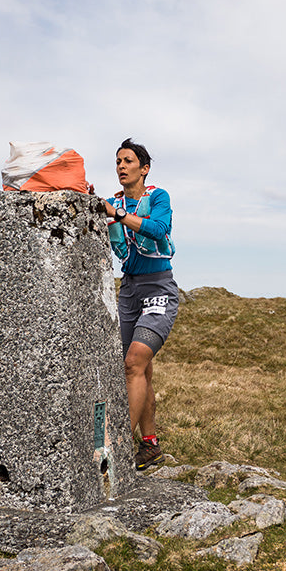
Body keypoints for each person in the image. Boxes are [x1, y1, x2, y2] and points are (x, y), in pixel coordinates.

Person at [101, 138, 178, 470]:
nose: (121, 166)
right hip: (129, 292)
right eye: (118, 161)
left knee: (133, 362)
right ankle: (149, 445)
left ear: (144, 169)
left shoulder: (158, 196)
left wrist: (116, 214)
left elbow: (159, 228)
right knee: (140, 369)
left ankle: (114, 445)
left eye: (128, 161)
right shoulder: (109, 202)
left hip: (159, 288)